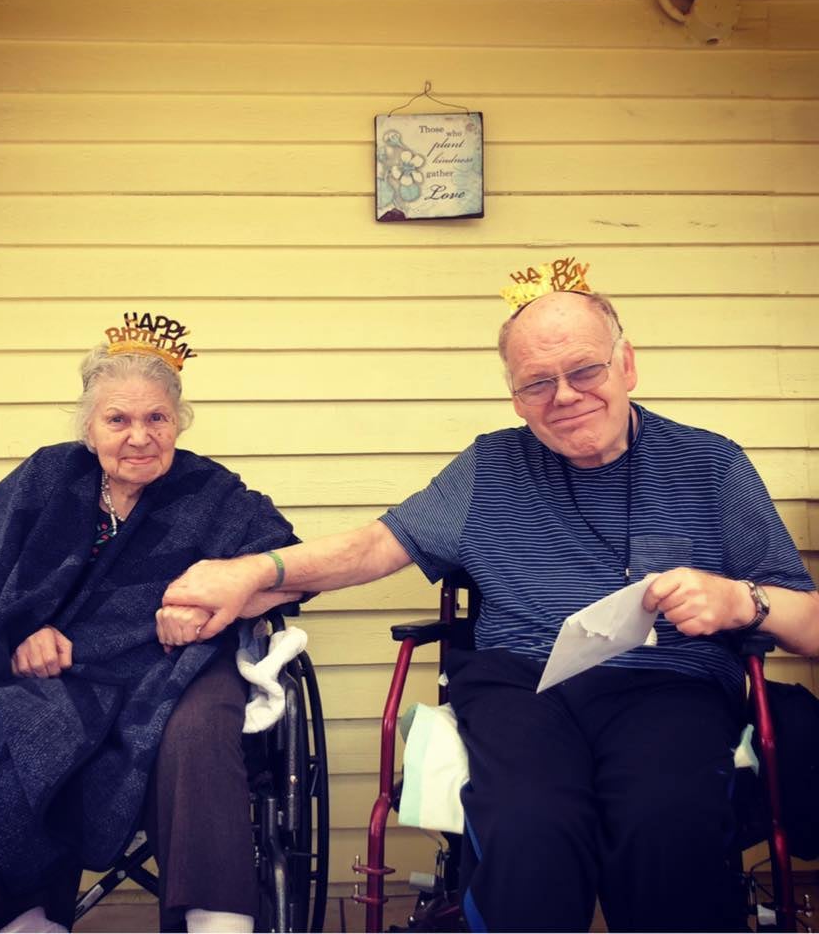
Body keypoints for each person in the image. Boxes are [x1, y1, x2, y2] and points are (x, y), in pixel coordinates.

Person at [161, 264, 819, 933]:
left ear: (627, 365)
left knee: (667, 823)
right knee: (532, 825)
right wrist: (253, 573)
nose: (564, 395)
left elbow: (810, 623)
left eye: (585, 370)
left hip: (669, 684)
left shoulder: (711, 465)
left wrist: (744, 603)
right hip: (525, 684)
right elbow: (371, 547)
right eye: (538, 382)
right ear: (515, 397)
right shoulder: (491, 467)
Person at [0, 314, 301, 934]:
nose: (139, 436)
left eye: (156, 418)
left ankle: (216, 918)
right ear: (89, 426)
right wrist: (16, 632)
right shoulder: (44, 481)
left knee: (196, 727)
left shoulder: (211, 492)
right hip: (57, 671)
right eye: (118, 419)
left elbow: (292, 569)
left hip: (172, 665)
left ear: (178, 422)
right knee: (16, 717)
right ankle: (26, 914)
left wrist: (223, 600)